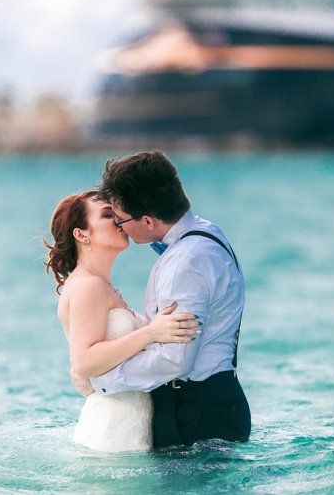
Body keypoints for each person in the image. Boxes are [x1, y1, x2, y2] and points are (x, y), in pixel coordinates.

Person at [77, 151, 251, 450]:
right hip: (211, 403)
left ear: (147, 220)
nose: (119, 227)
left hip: (194, 412)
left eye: (120, 220)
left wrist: (103, 382)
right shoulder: (207, 232)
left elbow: (174, 359)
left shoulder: (185, 261)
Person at [46, 191, 199, 452]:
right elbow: (84, 361)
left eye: (117, 215)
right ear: (82, 234)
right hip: (112, 429)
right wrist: (150, 333)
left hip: (129, 421)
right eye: (108, 215)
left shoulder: (99, 284)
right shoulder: (88, 286)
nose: (119, 221)